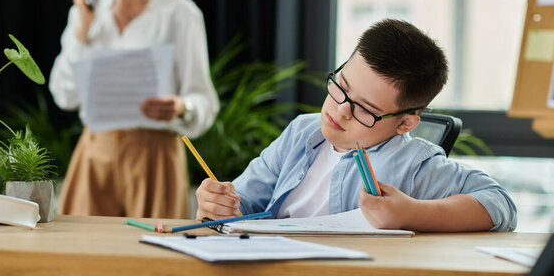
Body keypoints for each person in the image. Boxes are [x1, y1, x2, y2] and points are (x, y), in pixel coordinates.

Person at [196, 19, 517, 232]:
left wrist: (412, 213)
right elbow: (244, 202)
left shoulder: (413, 162)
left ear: (406, 123)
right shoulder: (302, 132)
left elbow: (500, 203)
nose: (341, 110)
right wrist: (219, 203)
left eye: (365, 109)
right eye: (342, 87)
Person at [50, 0, 219, 218]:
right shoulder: (86, 12)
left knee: (152, 264)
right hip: (94, 157)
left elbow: (205, 101)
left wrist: (181, 107)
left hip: (155, 159)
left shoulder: (181, 15)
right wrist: (83, 29)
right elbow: (64, 95)